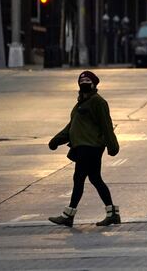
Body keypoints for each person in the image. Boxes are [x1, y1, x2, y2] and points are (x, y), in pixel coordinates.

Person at [48, 71, 121, 227]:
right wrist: (56, 140)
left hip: (91, 147)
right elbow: (72, 127)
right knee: (95, 179)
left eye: (88, 80)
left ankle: (68, 215)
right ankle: (112, 213)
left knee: (79, 179)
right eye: (82, 80)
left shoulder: (98, 102)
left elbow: (106, 125)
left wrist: (112, 146)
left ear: (94, 83)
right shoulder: (80, 103)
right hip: (82, 147)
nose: (84, 83)